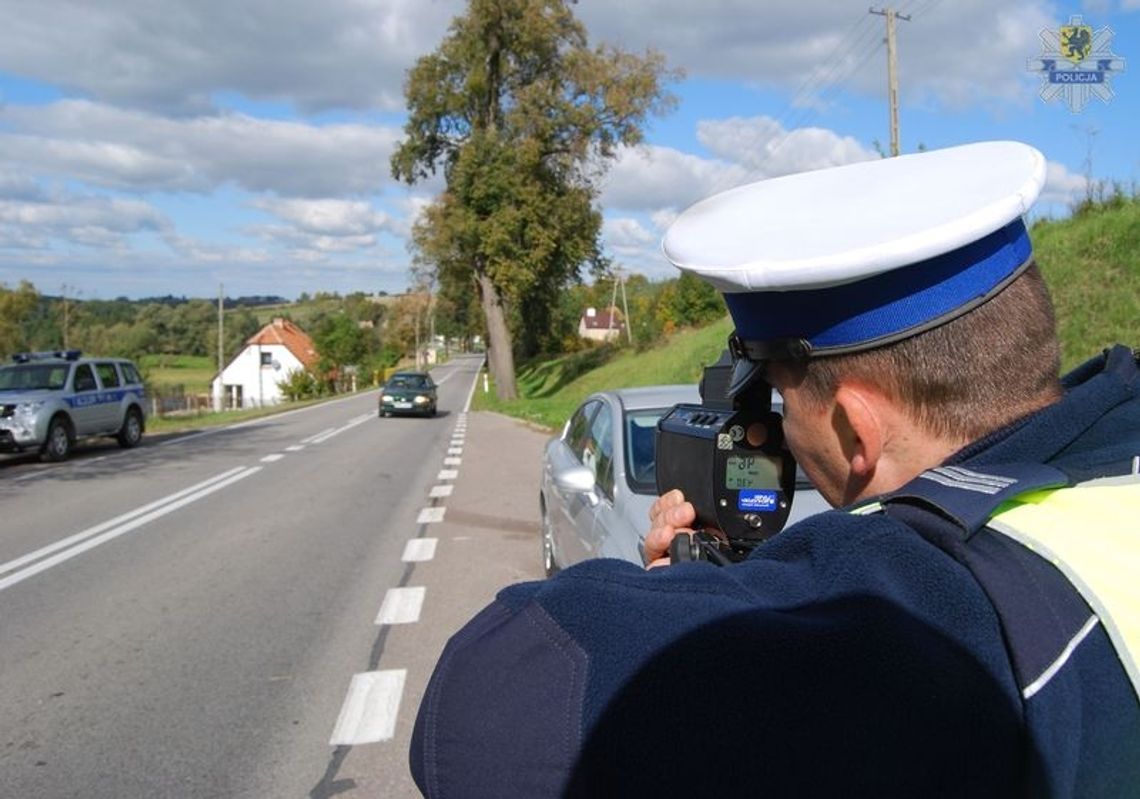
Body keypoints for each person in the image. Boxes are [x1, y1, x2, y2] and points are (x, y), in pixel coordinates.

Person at [409, 141, 1140, 798]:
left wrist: (691, 603)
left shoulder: (930, 612)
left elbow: (487, 702)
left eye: (784, 402)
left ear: (857, 429)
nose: (779, 429)